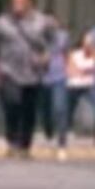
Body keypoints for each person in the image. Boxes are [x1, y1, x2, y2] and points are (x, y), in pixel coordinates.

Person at [0, 0, 57, 158]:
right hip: (8, 71)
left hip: (33, 72)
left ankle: (25, 146)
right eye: (15, 1)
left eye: (22, 1)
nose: (18, 5)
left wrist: (47, 55)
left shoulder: (42, 21)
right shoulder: (1, 23)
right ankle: (12, 141)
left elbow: (54, 41)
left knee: (29, 109)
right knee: (12, 103)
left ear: (30, 2)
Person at [37, 22, 69, 159]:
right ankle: (48, 131)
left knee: (60, 109)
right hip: (43, 79)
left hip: (59, 78)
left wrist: (69, 69)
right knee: (45, 112)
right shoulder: (37, 38)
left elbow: (67, 54)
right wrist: (40, 59)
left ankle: (62, 143)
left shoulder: (63, 36)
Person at [64, 36, 95, 148]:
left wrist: (84, 71)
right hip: (74, 85)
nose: (89, 46)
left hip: (90, 85)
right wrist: (84, 71)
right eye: (87, 44)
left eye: (91, 44)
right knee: (69, 108)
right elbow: (70, 70)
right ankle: (65, 131)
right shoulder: (75, 55)